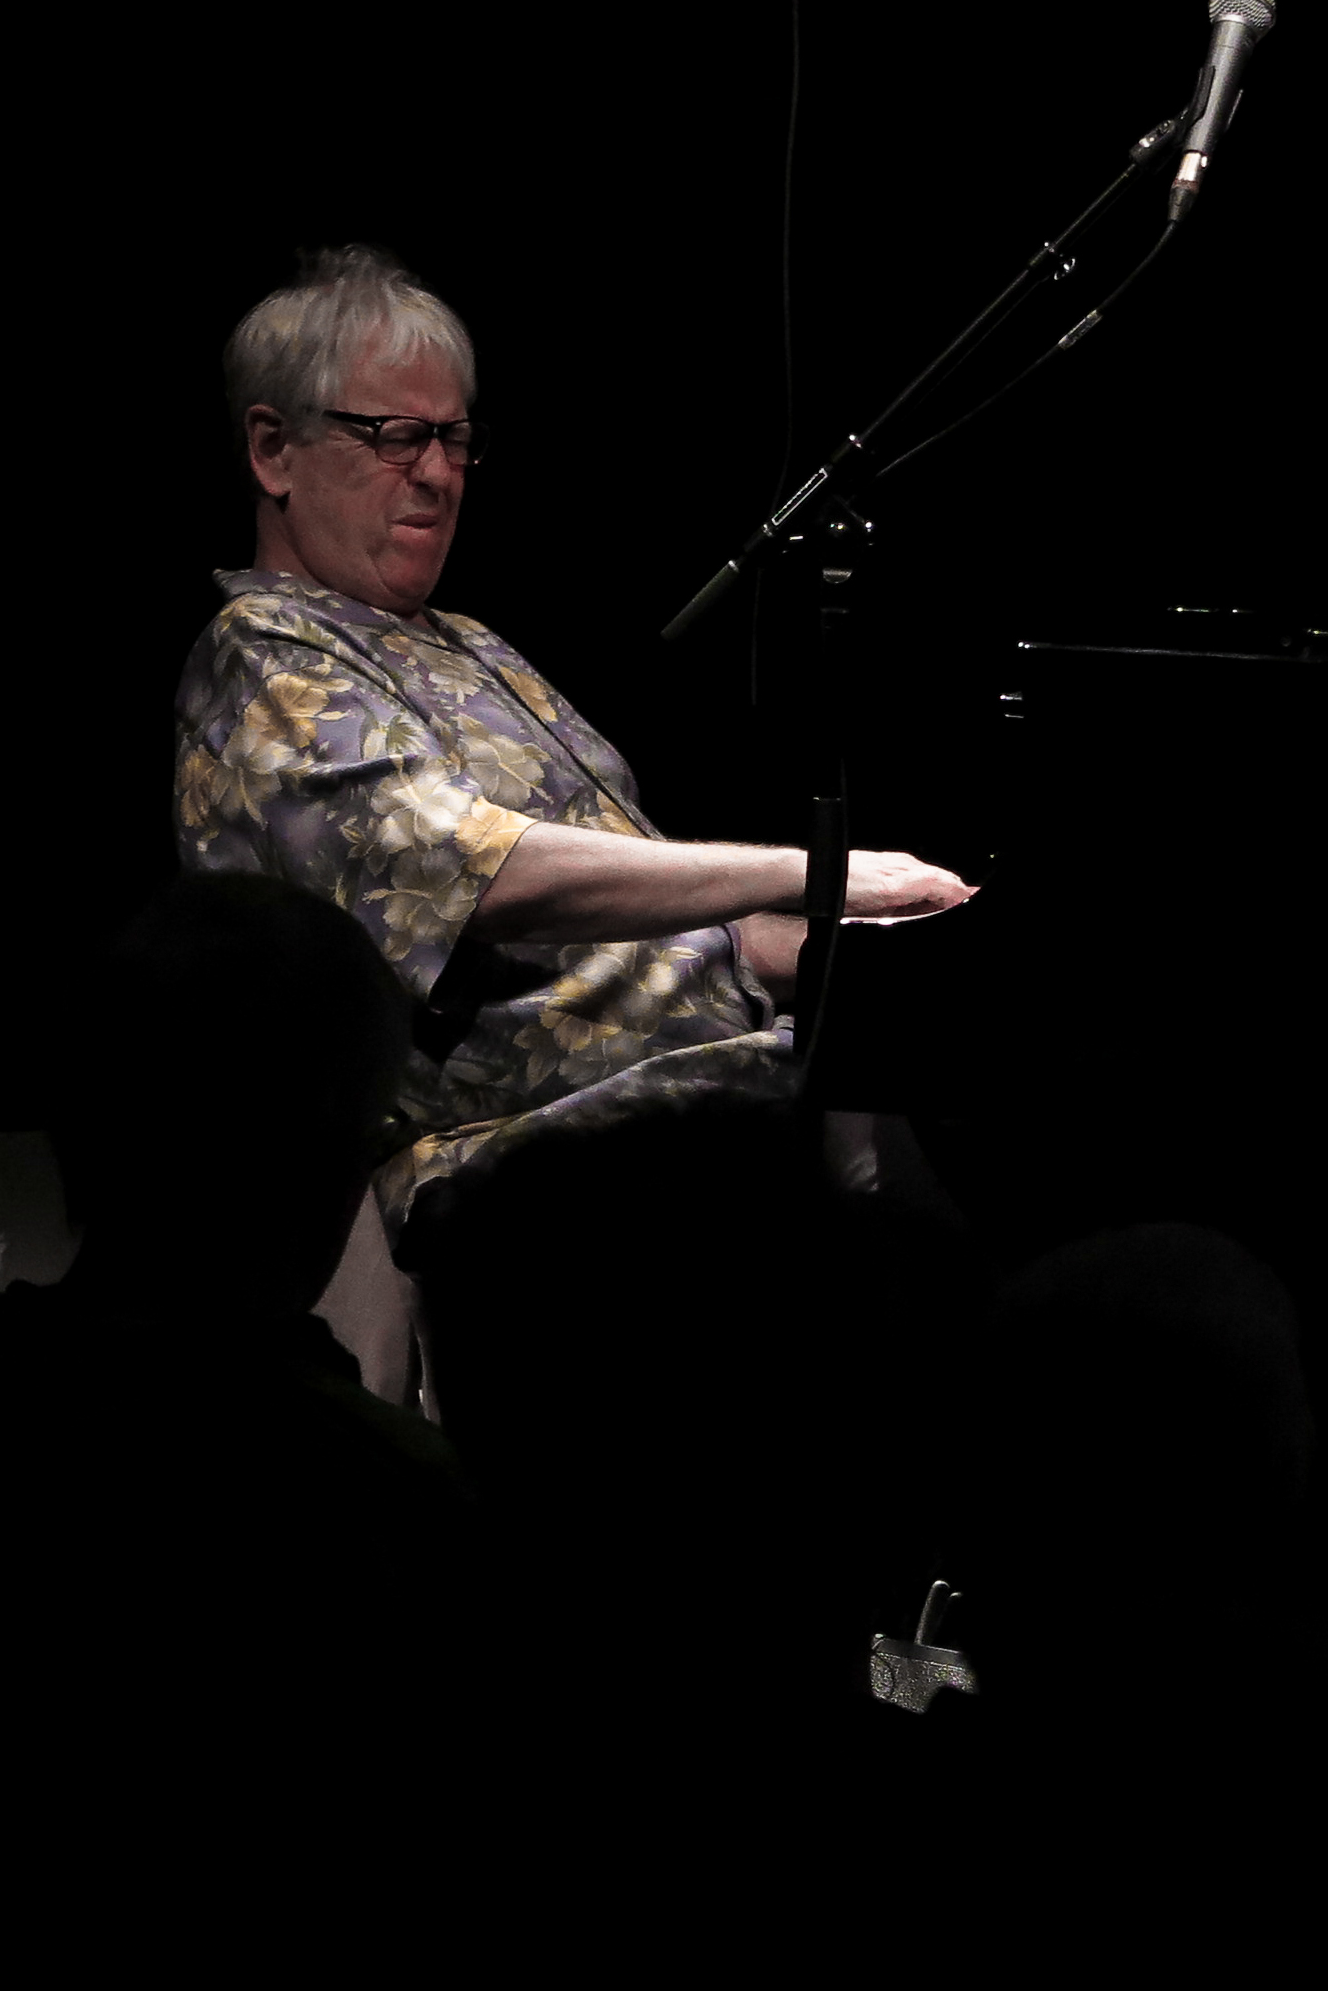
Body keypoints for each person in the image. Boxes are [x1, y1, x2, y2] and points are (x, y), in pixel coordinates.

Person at [174, 245, 976, 1380]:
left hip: (701, 1088)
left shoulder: (474, 649)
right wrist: (818, 872)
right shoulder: (264, 654)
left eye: (455, 438)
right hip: (519, 1162)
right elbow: (471, 871)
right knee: (875, 1143)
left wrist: (916, 949)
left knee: (957, 1076)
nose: (439, 473)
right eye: (396, 436)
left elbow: (694, 927)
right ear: (272, 450)